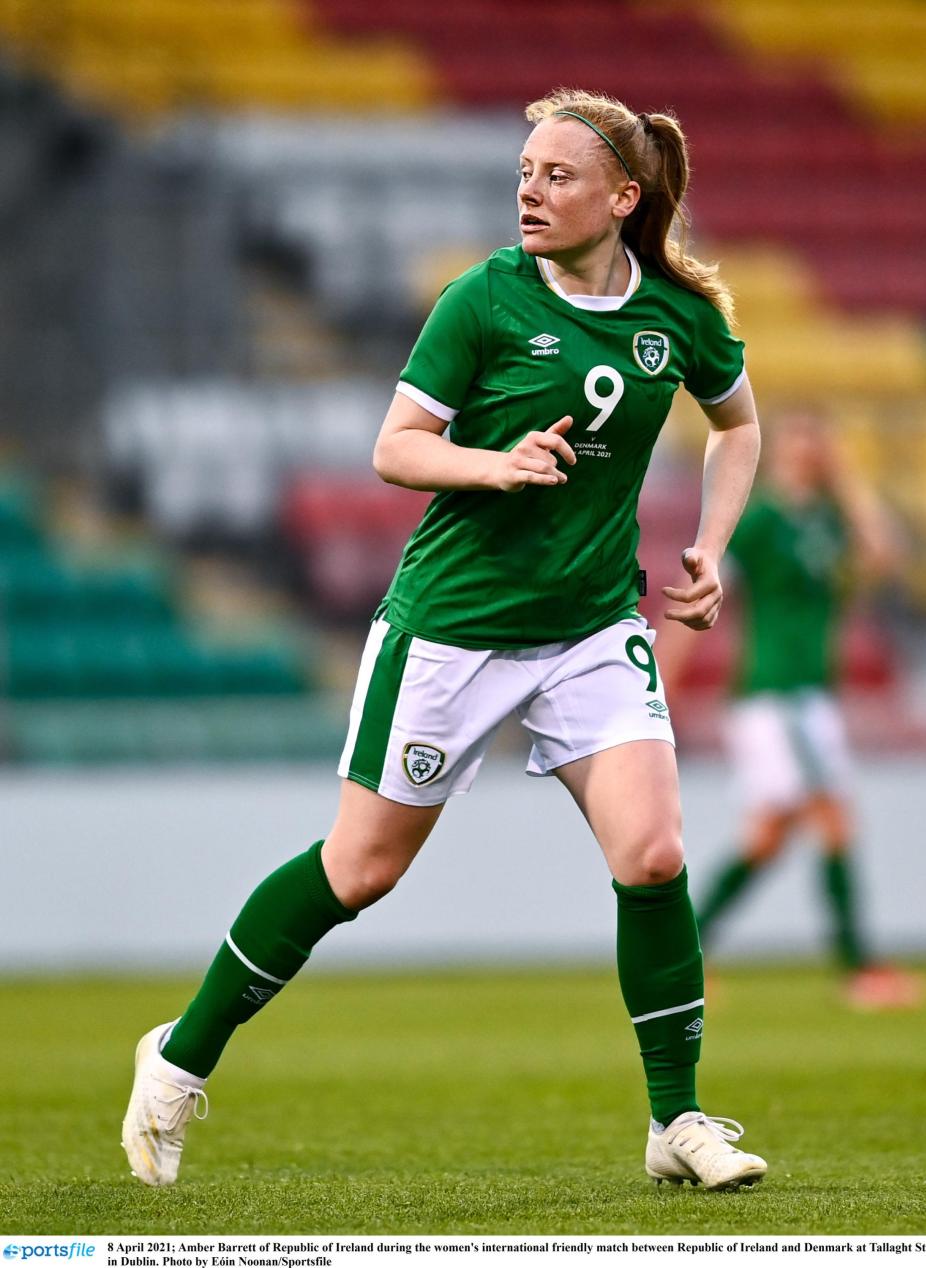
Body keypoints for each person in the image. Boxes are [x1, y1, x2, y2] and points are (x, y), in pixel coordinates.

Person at [122, 88, 767, 1191]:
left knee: (653, 853)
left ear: (624, 196)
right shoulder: (482, 299)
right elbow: (396, 446)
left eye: (557, 174)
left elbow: (740, 423)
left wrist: (711, 544)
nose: (529, 187)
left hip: (591, 623)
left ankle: (678, 1119)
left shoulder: (679, 315)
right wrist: (496, 463)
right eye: (523, 169)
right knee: (359, 869)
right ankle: (177, 1059)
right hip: (453, 627)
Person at [691, 412, 922, 1008]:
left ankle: (687, 948)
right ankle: (860, 967)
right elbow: (709, 585)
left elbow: (883, 558)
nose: (807, 450)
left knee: (769, 836)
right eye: (797, 439)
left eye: (816, 440)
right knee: (832, 820)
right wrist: (667, 667)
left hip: (808, 694)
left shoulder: (828, 518)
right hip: (777, 692)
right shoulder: (762, 519)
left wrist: (847, 483)